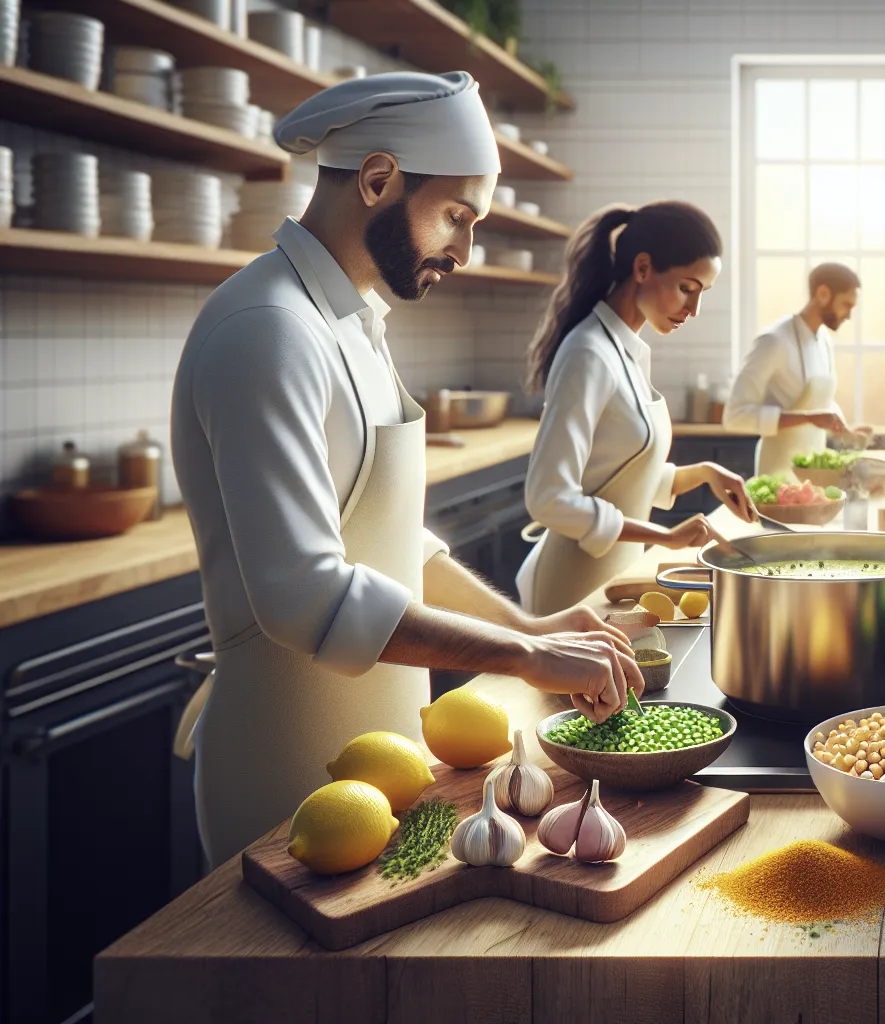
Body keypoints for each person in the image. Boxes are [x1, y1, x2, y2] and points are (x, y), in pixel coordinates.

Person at [171, 72, 644, 865]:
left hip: (383, 757)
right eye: (457, 217)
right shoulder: (267, 327)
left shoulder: (351, 323)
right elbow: (305, 593)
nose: (464, 249)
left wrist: (525, 625)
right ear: (378, 179)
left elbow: (392, 545)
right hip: (288, 775)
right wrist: (523, 657)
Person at [518, 201, 758, 615]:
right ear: (643, 269)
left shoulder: (625, 350)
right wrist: (663, 536)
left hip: (610, 578)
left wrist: (703, 473)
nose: (693, 309)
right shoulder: (588, 353)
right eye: (687, 288)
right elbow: (549, 498)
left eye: (702, 294)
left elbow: (616, 472)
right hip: (570, 589)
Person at [722, 262, 867, 476]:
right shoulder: (773, 341)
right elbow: (734, 417)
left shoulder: (824, 340)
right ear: (823, 293)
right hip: (777, 473)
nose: (848, 315)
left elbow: (820, 402)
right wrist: (807, 418)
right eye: (846, 305)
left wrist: (845, 429)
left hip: (813, 474)